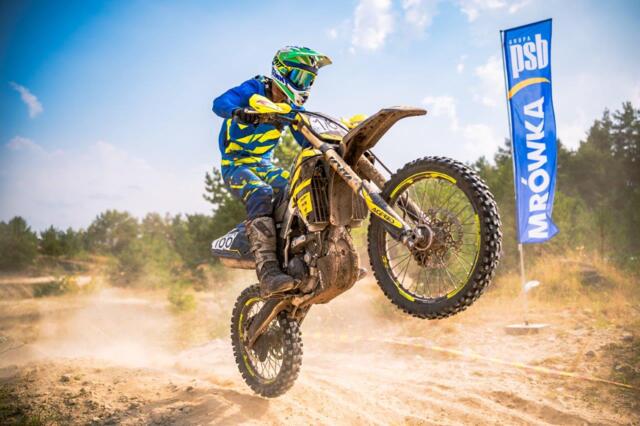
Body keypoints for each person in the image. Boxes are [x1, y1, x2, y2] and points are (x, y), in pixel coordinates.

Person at [212, 46, 331, 297]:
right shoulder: (254, 89)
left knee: (299, 187)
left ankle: (314, 255)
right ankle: (268, 271)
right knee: (261, 192)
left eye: (309, 79)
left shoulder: (291, 108)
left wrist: (326, 146)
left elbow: (306, 139)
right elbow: (220, 102)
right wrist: (238, 112)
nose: (304, 84)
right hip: (236, 164)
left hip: (264, 164)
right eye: (300, 77)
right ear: (281, 72)